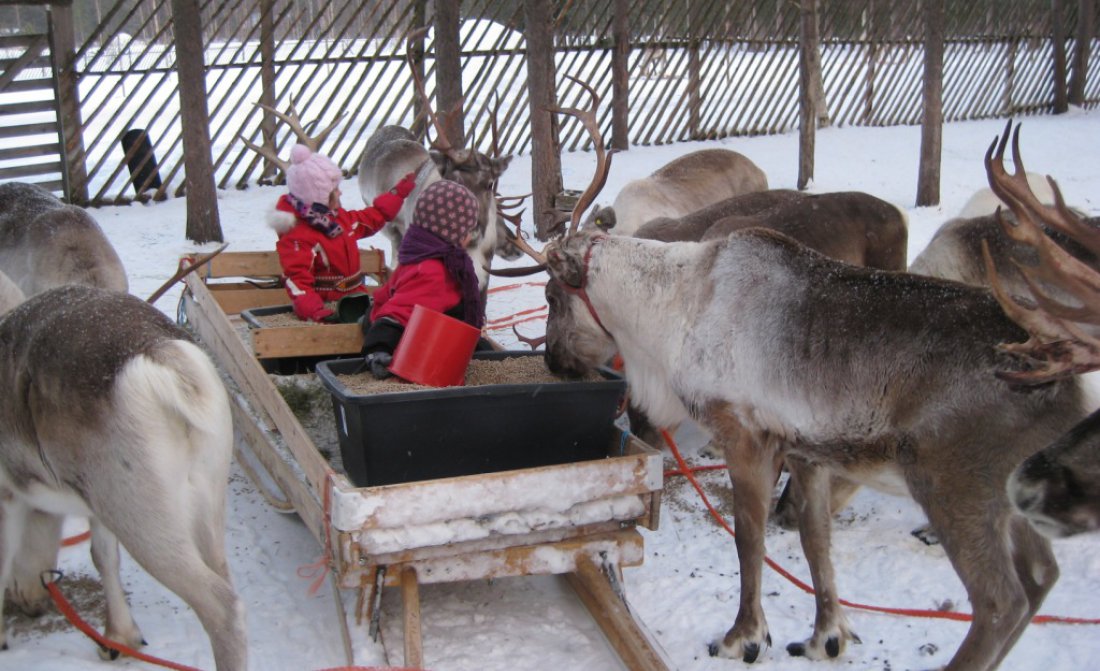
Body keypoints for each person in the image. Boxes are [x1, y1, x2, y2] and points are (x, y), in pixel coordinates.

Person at [269, 144, 416, 322]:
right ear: (319, 197)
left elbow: (373, 217)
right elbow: (297, 279)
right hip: (330, 304)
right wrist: (314, 310)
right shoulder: (298, 236)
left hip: (355, 299)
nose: (340, 192)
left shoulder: (338, 220)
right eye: (334, 190)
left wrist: (397, 193)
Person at [361, 179, 485, 379]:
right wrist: (379, 347)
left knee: (483, 351)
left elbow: (391, 297)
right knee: (482, 356)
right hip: (418, 351)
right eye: (467, 230)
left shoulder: (427, 257)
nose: (470, 236)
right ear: (450, 231)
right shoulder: (432, 271)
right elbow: (401, 312)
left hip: (436, 335)